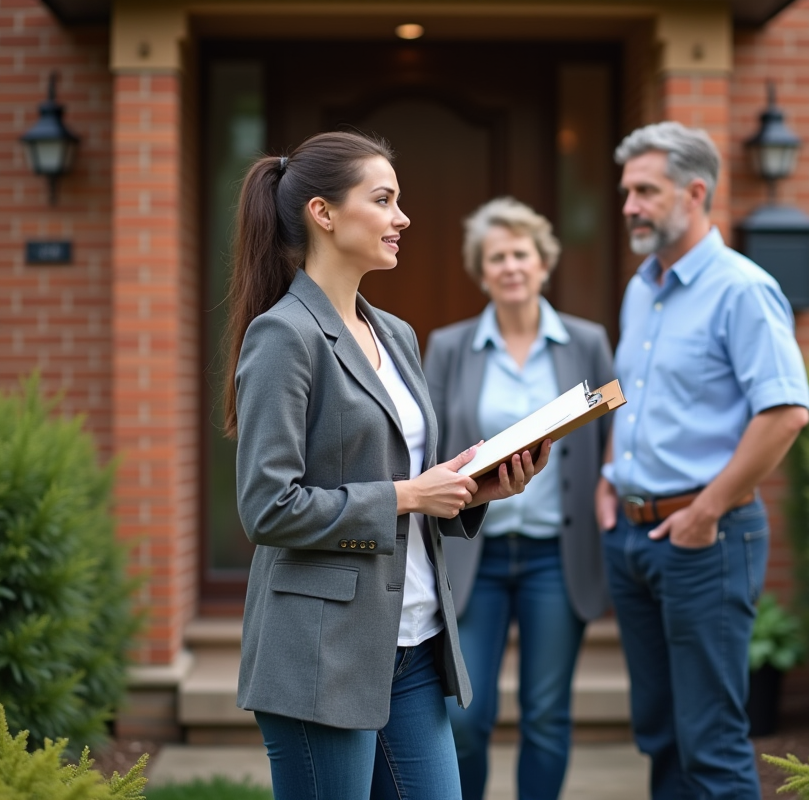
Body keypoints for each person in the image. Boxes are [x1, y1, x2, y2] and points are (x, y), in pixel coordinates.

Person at [223, 131, 550, 800]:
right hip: (323, 651)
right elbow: (268, 508)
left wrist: (473, 488)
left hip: (416, 643)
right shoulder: (284, 335)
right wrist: (407, 495)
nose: (401, 218)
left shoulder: (395, 333)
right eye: (383, 200)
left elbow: (409, 481)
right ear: (323, 213)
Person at [595, 121, 809, 799]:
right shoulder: (641, 287)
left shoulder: (743, 289)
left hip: (704, 539)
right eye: (627, 191)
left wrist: (705, 512)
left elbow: (786, 413)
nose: (628, 206)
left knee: (711, 742)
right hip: (632, 538)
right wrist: (607, 478)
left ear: (694, 193)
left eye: (645, 191)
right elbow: (628, 394)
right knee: (659, 734)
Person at [424, 197, 615, 800]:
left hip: (556, 556)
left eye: (521, 254)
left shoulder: (586, 342)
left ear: (543, 263)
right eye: (497, 257)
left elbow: (611, 436)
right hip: (473, 555)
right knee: (465, 718)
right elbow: (428, 445)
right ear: (481, 272)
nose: (510, 266)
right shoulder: (449, 346)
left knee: (547, 715)